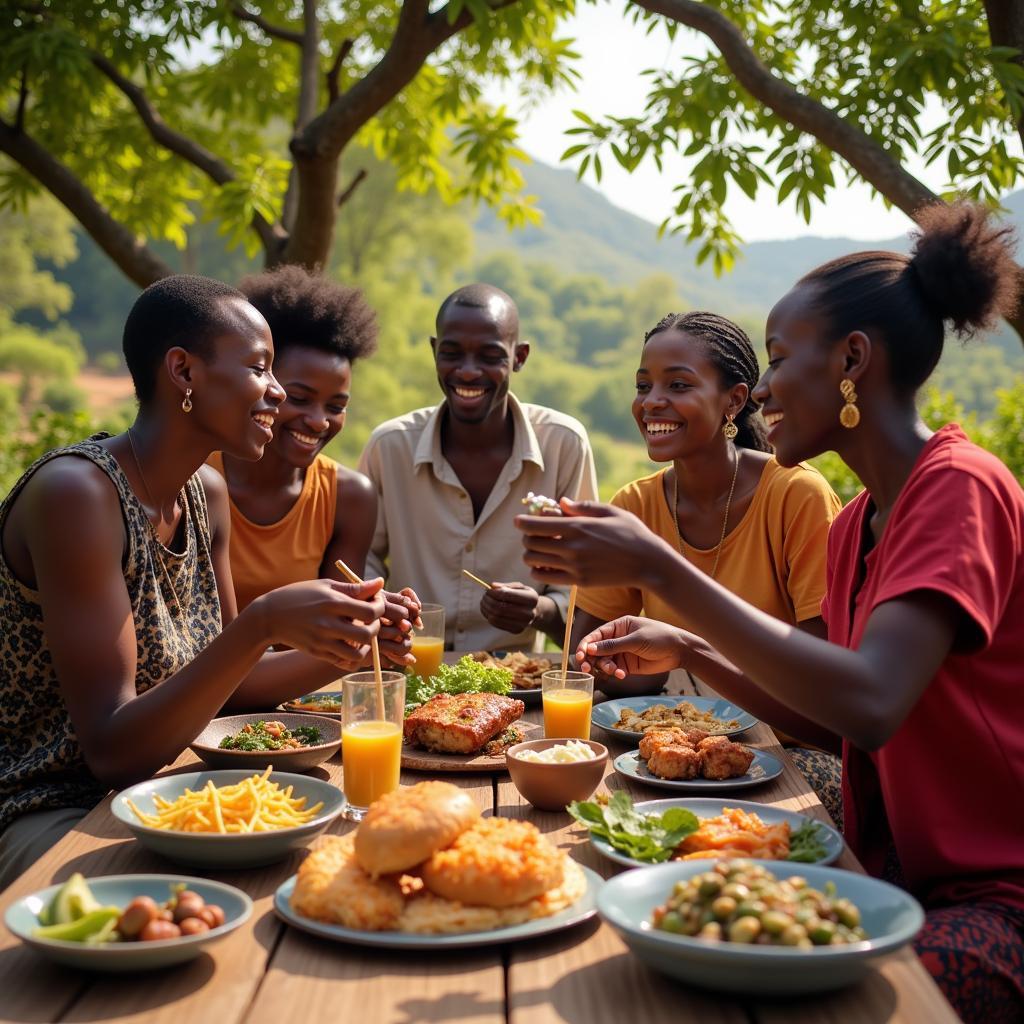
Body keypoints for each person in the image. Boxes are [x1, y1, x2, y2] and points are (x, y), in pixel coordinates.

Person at [516, 203, 1024, 1022]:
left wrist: (662, 572)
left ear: (853, 359)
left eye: (781, 358)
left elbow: (872, 699)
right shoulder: (859, 521)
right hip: (887, 871)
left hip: (996, 894)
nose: (770, 387)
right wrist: (693, 649)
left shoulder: (960, 486)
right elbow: (845, 728)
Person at [0, 275, 411, 889]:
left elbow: (230, 687)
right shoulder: (77, 496)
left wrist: (352, 642)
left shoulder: (204, 495)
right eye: (260, 368)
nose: (277, 392)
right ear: (184, 372)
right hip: (49, 808)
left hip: (158, 793)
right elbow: (112, 752)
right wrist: (263, 621)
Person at [573, 311, 840, 697]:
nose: (651, 402)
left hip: (787, 746)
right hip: (673, 737)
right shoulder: (635, 505)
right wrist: (624, 663)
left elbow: (821, 678)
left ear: (733, 400)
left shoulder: (797, 495)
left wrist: (688, 655)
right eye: (643, 386)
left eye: (678, 385)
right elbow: (584, 656)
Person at [359, 283, 598, 652]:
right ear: (434, 351)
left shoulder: (564, 444)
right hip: (407, 668)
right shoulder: (389, 446)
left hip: (516, 680)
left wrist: (541, 611)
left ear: (519, 357)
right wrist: (381, 605)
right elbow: (361, 556)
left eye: (490, 356)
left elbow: (582, 584)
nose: (468, 372)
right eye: (452, 353)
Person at [207, 265, 417, 642]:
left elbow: (338, 634)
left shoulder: (349, 497)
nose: (319, 421)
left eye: (336, 406)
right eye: (300, 398)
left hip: (296, 694)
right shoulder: (196, 481)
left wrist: (374, 620)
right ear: (263, 385)